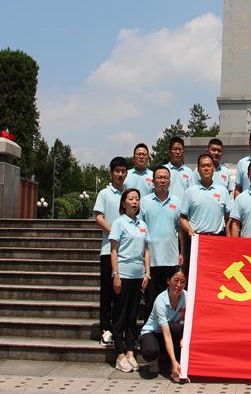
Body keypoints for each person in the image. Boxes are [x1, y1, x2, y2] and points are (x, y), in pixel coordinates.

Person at [109, 188, 151, 372]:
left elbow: (146, 250)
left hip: (138, 276)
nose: (134, 202)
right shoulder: (119, 223)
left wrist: (147, 273)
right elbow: (113, 250)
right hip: (123, 275)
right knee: (120, 316)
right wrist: (116, 274)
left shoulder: (142, 224)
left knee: (133, 316)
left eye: (137, 199)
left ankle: (130, 352)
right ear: (124, 202)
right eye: (131, 198)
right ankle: (119, 355)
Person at [140, 166, 184, 321]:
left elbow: (181, 231)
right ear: (153, 181)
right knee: (150, 299)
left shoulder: (177, 202)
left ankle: (168, 329)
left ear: (169, 181)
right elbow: (140, 230)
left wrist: (182, 252)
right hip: (151, 260)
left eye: (165, 178)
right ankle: (149, 329)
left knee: (171, 298)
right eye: (159, 177)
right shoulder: (144, 202)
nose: (162, 180)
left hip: (171, 258)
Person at [92, 156, 127, 347]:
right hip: (108, 250)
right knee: (107, 291)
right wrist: (114, 234)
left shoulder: (128, 194)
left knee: (121, 293)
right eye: (117, 171)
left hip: (126, 252)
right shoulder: (105, 193)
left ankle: (119, 328)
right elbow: (99, 217)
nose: (120, 174)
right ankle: (105, 329)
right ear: (111, 173)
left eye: (123, 171)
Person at [179, 154, 231, 269]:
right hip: (197, 240)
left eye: (209, 165)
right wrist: (189, 229)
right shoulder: (190, 192)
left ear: (213, 168)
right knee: (196, 273)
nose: (206, 169)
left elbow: (228, 219)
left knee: (217, 272)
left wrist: (228, 240)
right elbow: (182, 218)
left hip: (218, 240)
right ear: (198, 169)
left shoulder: (223, 191)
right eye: (203, 166)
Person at [139, 267, 187, 382]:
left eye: (182, 282)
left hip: (170, 329)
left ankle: (175, 363)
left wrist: (184, 338)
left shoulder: (187, 297)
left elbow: (190, 322)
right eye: (176, 280)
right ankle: (157, 360)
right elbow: (167, 335)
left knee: (176, 328)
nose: (179, 285)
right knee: (150, 350)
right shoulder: (160, 300)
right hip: (153, 333)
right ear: (168, 281)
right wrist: (174, 361)